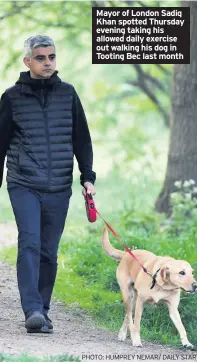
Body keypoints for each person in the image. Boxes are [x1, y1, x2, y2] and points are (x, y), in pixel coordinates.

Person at [0, 35, 96, 334]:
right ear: (28, 61)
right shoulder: (11, 98)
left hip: (59, 186)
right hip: (24, 182)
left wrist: (88, 177)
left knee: (49, 251)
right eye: (41, 58)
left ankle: (43, 309)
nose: (48, 63)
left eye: (52, 57)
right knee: (30, 242)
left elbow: (82, 139)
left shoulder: (68, 94)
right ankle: (32, 310)